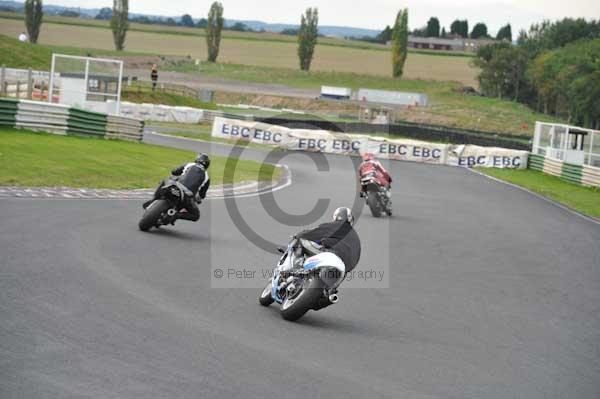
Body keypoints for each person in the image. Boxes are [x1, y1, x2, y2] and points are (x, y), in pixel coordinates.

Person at [143, 153, 211, 222]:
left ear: (197, 160)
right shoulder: (207, 177)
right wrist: (197, 200)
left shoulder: (190, 164)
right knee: (196, 215)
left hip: (176, 187)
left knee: (165, 181)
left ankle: (153, 199)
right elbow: (202, 195)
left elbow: (174, 171)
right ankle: (177, 215)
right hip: (186, 196)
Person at [295, 207, 361, 273]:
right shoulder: (355, 236)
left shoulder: (336, 225)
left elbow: (313, 232)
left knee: (302, 240)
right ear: (350, 220)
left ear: (335, 217)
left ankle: (298, 267)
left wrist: (298, 235)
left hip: (335, 256)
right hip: (348, 267)